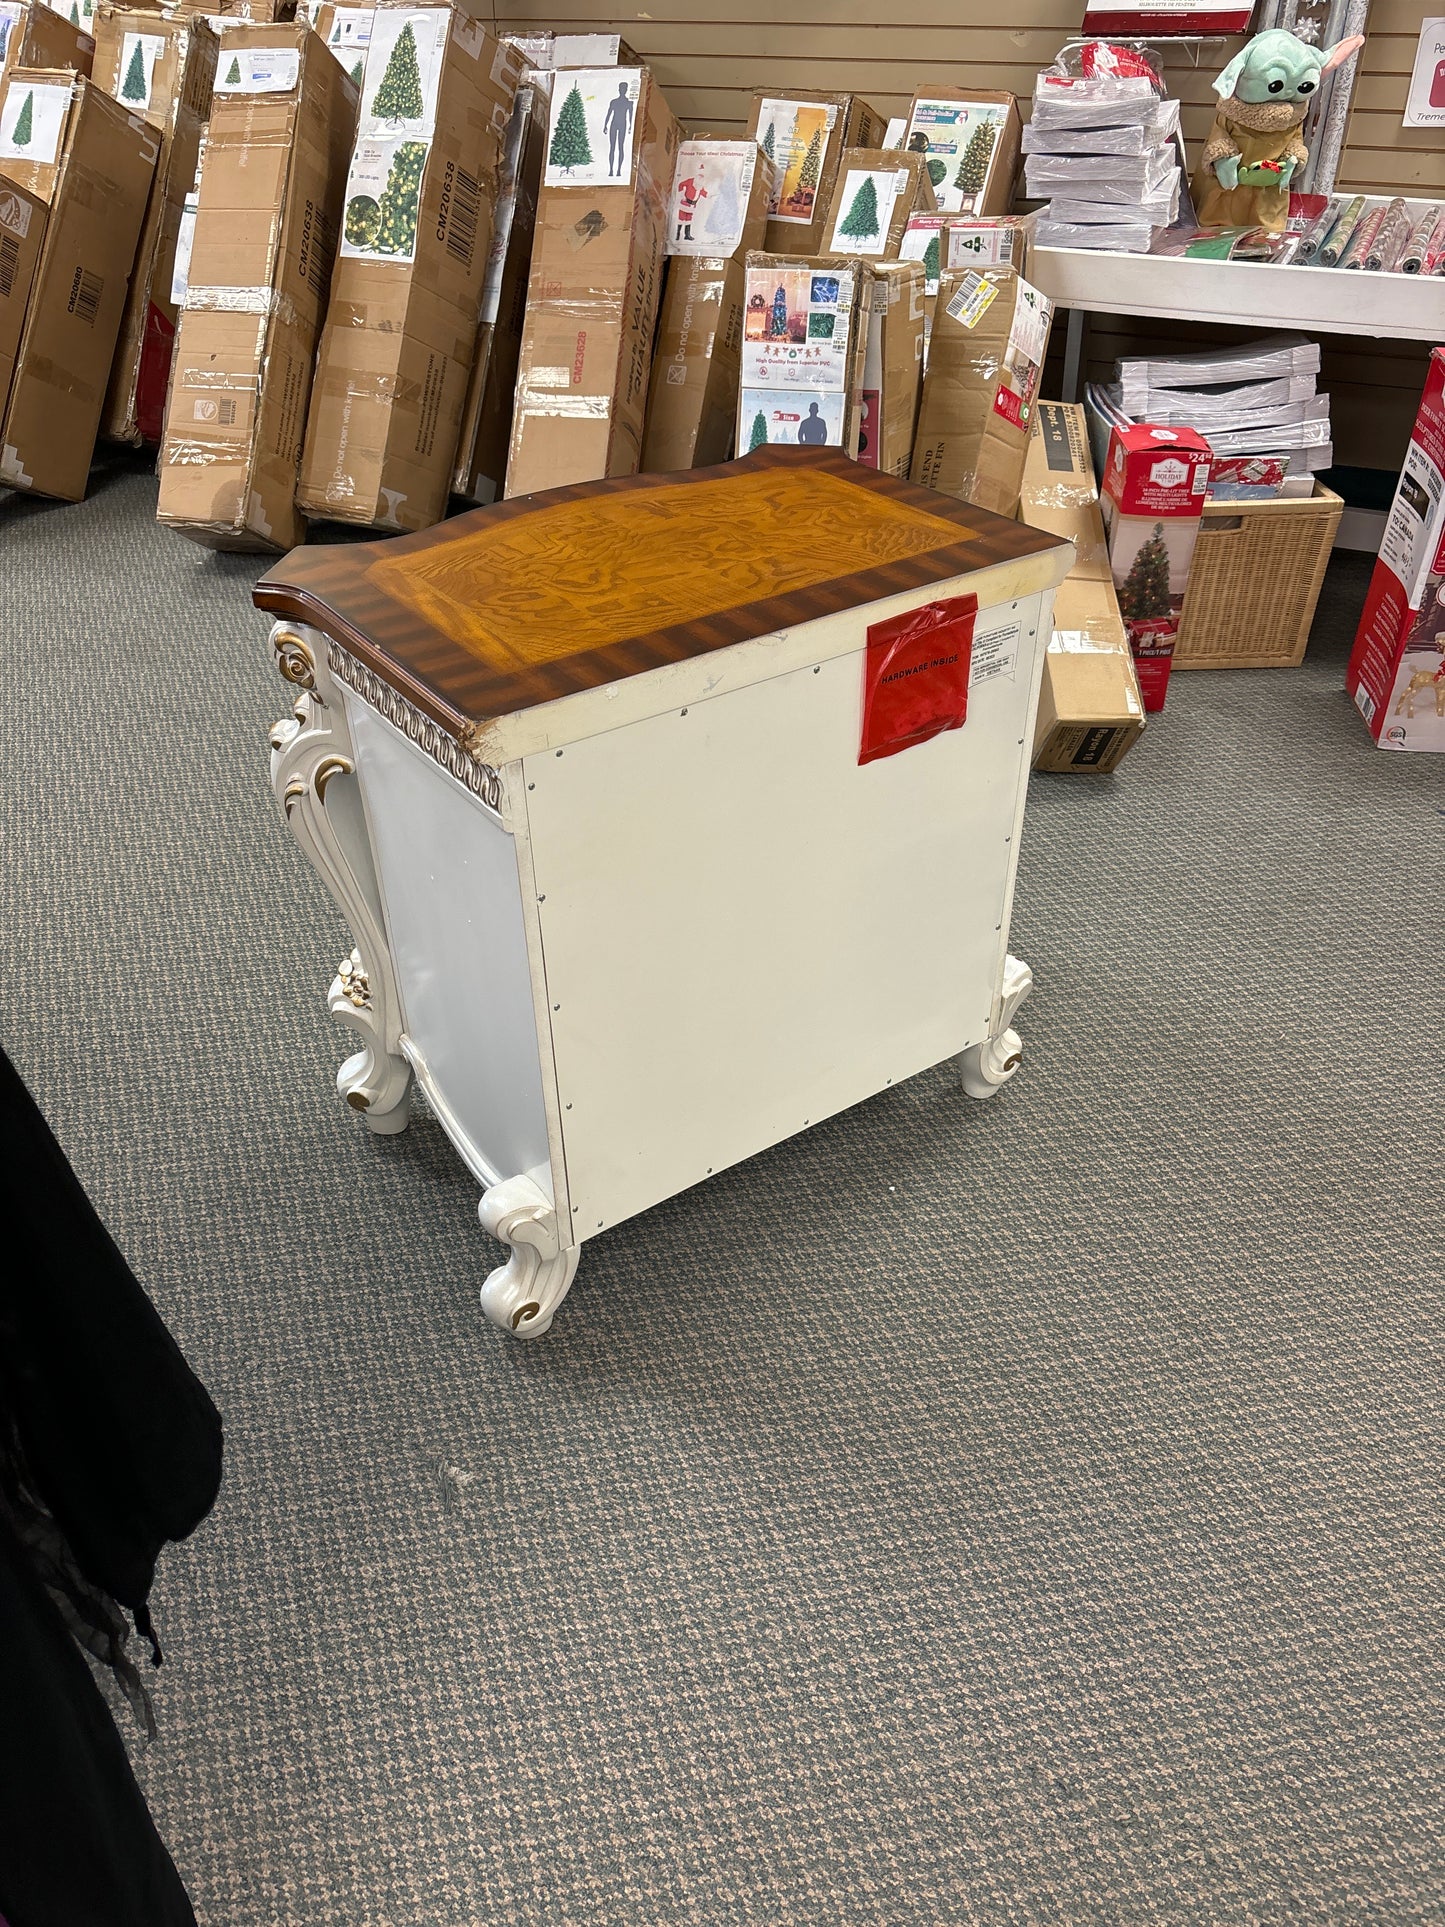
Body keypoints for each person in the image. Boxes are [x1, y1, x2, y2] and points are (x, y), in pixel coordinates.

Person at [604, 81, 634, 178]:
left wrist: (630, 126)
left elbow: (630, 115)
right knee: (612, 147)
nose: (622, 90)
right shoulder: (614, 102)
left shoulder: (629, 103)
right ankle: (611, 170)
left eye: (624, 89)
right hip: (614, 124)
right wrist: (605, 125)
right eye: (621, 89)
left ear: (626, 90)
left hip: (623, 125)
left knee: (620, 147)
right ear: (619, 89)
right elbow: (609, 114)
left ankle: (619, 170)